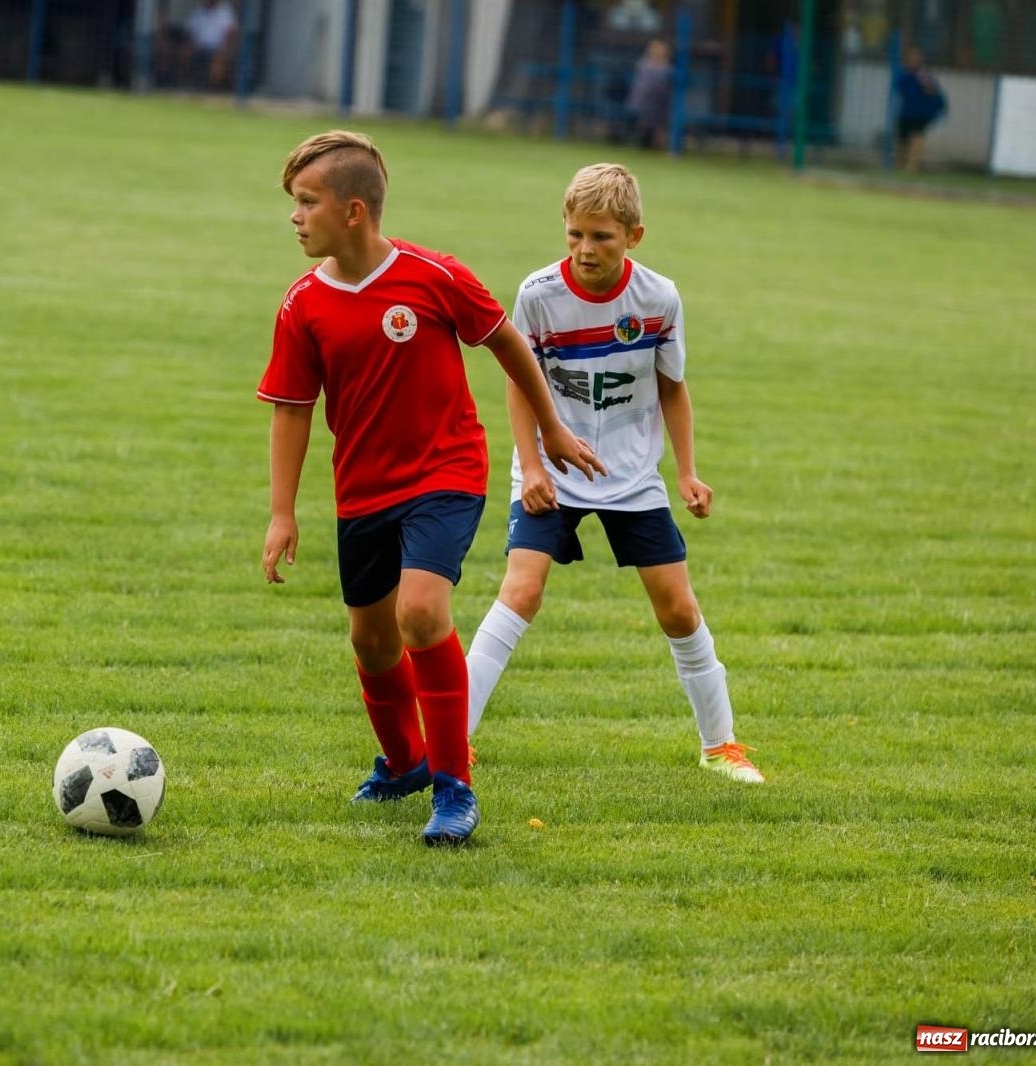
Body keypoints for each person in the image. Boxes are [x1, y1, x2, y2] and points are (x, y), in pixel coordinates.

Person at [258, 131, 607, 845]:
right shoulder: (302, 304)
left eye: (307, 202)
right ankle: (405, 763)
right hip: (363, 490)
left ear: (353, 211)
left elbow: (507, 342)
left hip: (445, 473)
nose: (295, 216)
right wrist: (281, 513)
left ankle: (454, 788)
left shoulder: (433, 276)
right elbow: (292, 409)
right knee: (371, 641)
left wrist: (550, 430)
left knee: (420, 611)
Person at [465, 162, 764, 785]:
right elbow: (520, 381)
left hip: (631, 475)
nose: (585, 249)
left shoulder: (659, 298)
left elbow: (673, 387)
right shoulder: (538, 294)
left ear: (633, 236)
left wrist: (687, 472)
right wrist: (532, 464)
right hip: (552, 467)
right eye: (575, 234)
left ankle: (721, 748)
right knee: (520, 592)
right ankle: (449, 743)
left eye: (601, 237)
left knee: (678, 608)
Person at [894, 46, 947, 173]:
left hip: (920, 112)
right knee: (901, 138)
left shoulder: (923, 74)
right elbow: (899, 88)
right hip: (906, 111)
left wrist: (926, 85)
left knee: (916, 137)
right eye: (912, 58)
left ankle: (912, 166)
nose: (914, 60)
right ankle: (899, 164)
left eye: (917, 57)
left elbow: (932, 91)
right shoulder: (905, 75)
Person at [625, 39, 673, 150]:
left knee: (658, 123)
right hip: (644, 100)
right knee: (642, 121)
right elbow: (639, 85)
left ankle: (656, 143)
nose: (658, 52)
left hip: (659, 100)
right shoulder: (644, 64)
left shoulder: (667, 67)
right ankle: (640, 141)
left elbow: (665, 86)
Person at [183, 0, 238, 90]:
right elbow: (188, 31)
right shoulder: (199, 11)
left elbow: (232, 33)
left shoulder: (225, 12)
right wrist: (191, 44)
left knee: (218, 59)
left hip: (217, 49)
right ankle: (184, 83)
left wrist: (223, 47)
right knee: (184, 52)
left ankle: (212, 88)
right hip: (198, 47)